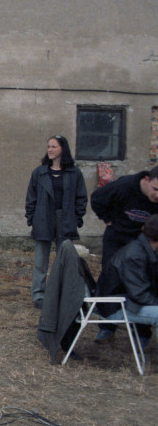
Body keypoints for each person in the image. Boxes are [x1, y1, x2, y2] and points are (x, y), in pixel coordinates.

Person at [89, 165, 158, 343]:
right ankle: (107, 327)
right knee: (111, 280)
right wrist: (108, 219)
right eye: (155, 189)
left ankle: (142, 333)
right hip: (117, 239)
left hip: (145, 242)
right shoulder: (124, 186)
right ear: (146, 180)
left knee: (144, 281)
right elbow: (97, 198)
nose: (157, 195)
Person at [24, 135, 88, 308]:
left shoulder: (74, 173)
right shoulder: (39, 172)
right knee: (40, 261)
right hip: (43, 218)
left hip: (65, 219)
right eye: (48, 147)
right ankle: (39, 296)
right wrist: (32, 218)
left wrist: (77, 217)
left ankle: (61, 295)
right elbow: (31, 197)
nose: (50, 150)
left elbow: (81, 197)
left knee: (65, 261)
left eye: (54, 146)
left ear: (62, 149)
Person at [95, 213, 158, 350]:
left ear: (143, 229)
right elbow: (139, 294)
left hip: (123, 300)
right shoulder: (135, 256)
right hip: (115, 306)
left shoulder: (141, 248)